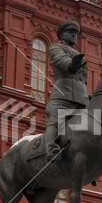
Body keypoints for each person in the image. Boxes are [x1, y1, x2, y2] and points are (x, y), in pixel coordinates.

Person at [27, 20, 88, 161]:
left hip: (82, 99)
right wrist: (72, 64)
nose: (74, 35)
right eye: (70, 32)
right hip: (63, 95)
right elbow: (61, 61)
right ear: (62, 35)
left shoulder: (79, 54)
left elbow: (82, 79)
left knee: (96, 126)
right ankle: (50, 149)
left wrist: (87, 95)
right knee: (56, 121)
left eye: (76, 33)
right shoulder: (56, 48)